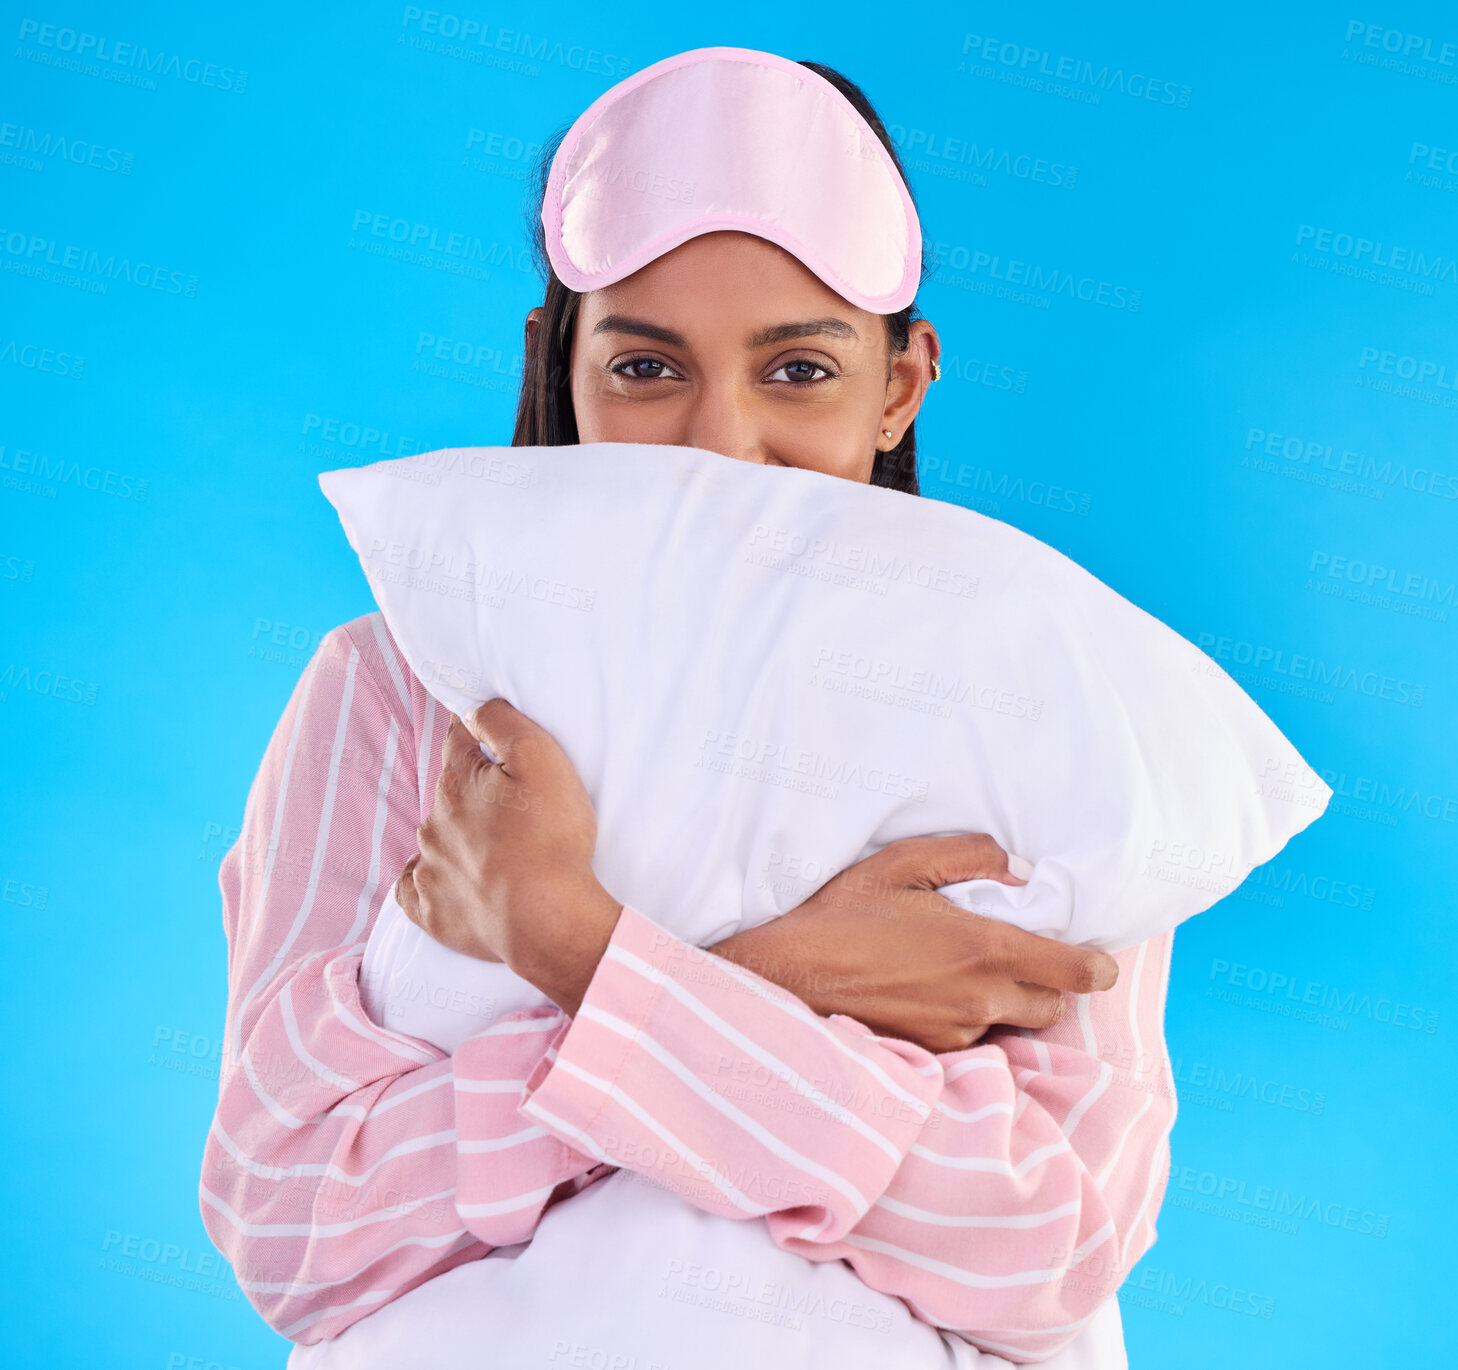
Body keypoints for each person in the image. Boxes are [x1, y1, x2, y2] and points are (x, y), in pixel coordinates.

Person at [199, 48, 1177, 1366]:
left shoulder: (1038, 718)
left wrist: (571, 945)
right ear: (558, 361)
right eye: (649, 368)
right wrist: (781, 983)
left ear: (897, 383)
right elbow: (295, 1222)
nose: (721, 447)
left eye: (798, 372)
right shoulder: (391, 689)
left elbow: (1039, 1245)